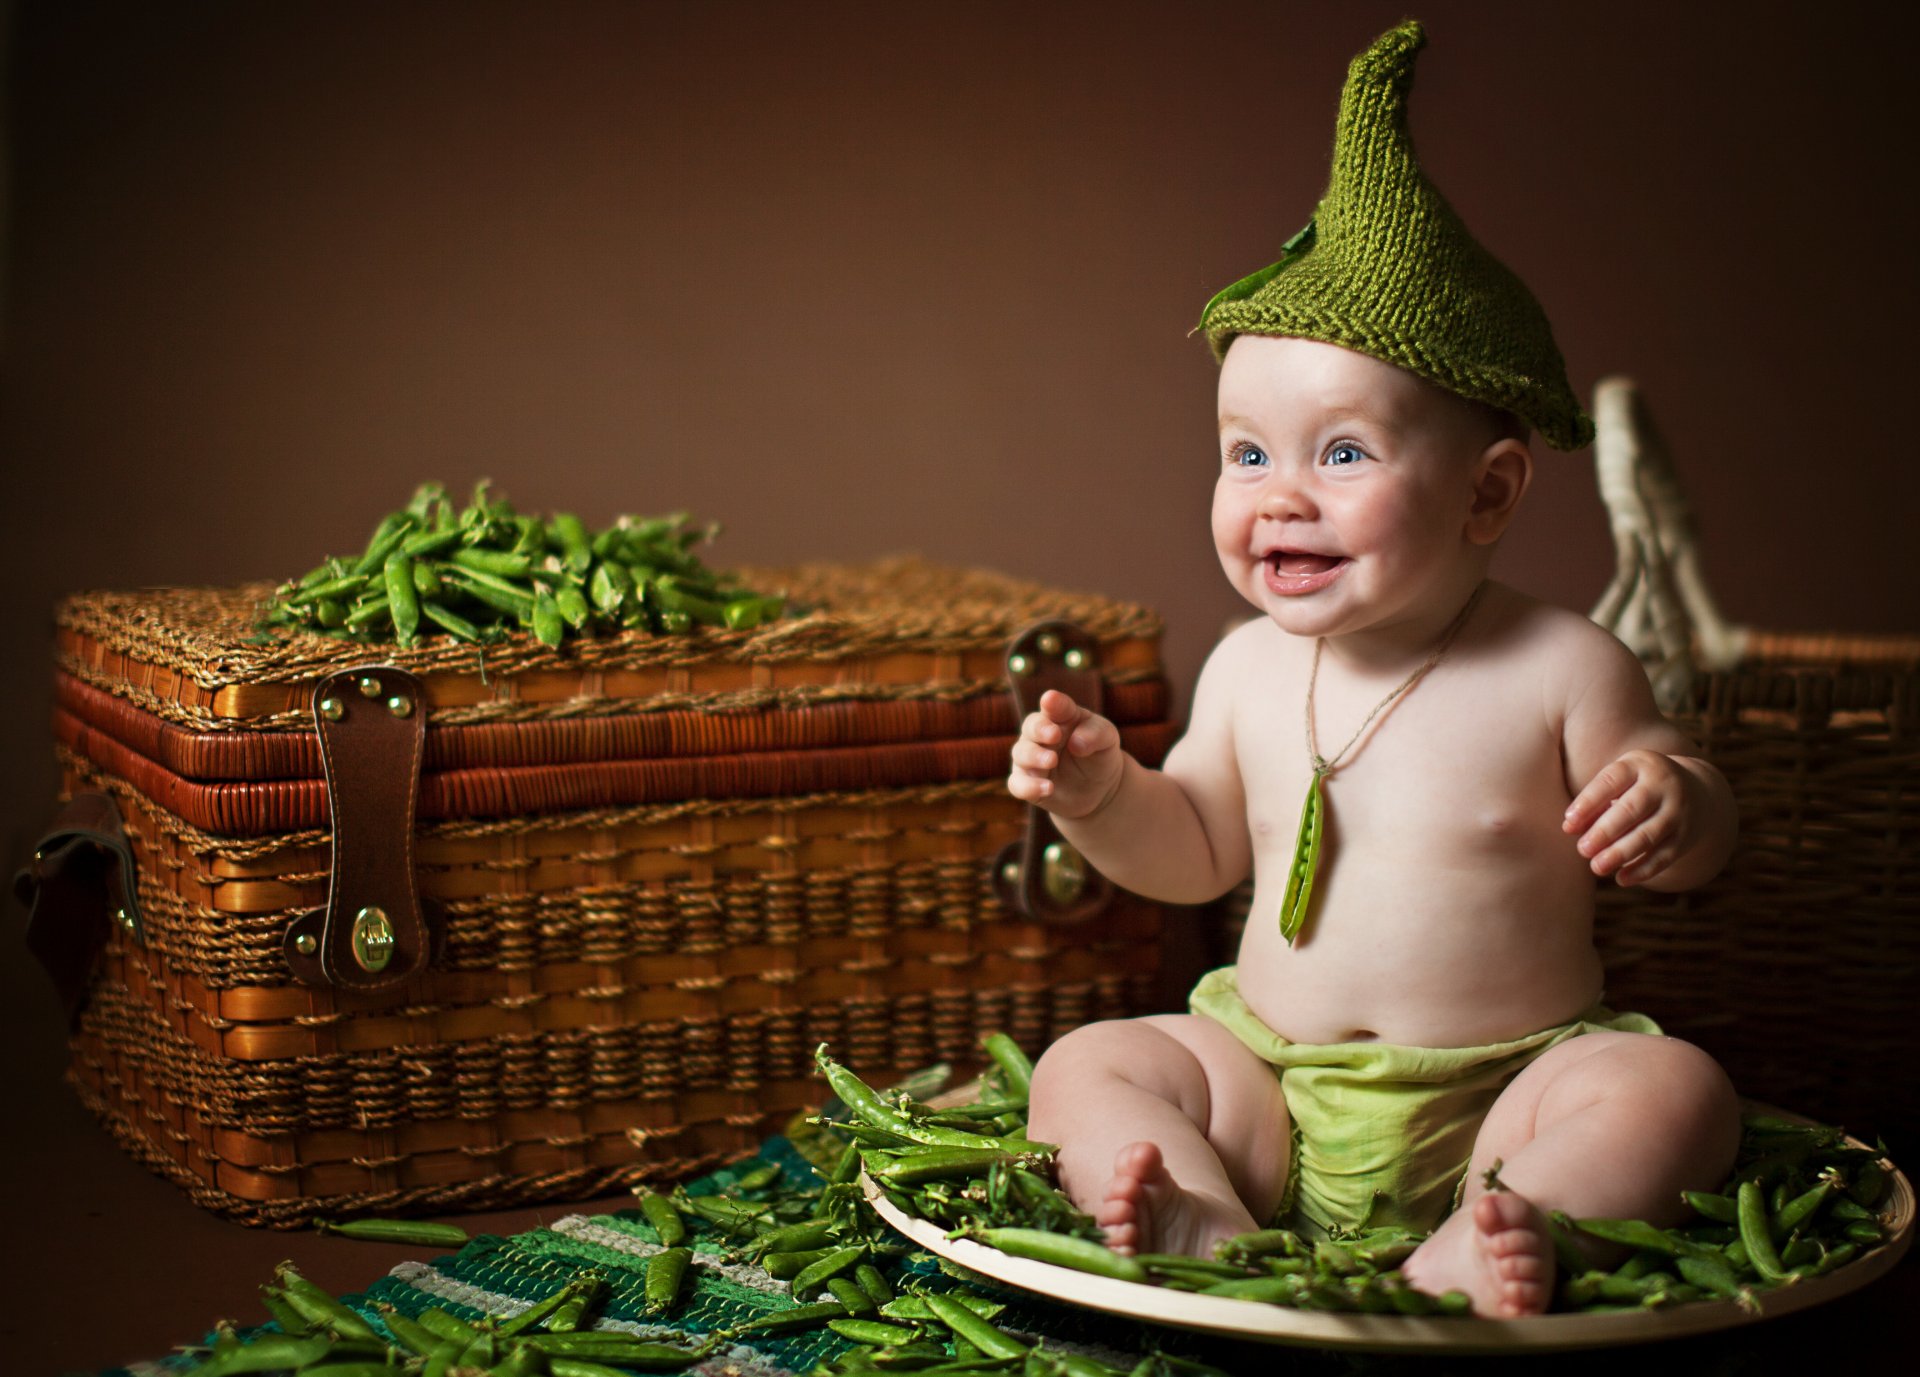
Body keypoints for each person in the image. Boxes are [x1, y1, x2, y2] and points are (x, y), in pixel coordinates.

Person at [1008, 20, 1740, 1319]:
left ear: (1489, 491)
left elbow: (1681, 808)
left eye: (1342, 454)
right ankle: (1207, 1218)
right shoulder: (1245, 667)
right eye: (1246, 455)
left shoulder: (1563, 662)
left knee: (1673, 1093)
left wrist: (1675, 800)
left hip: (1505, 1091)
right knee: (1088, 1060)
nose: (1281, 497)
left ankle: (1502, 1230)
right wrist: (1104, 797)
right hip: (1270, 1084)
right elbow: (1200, 853)